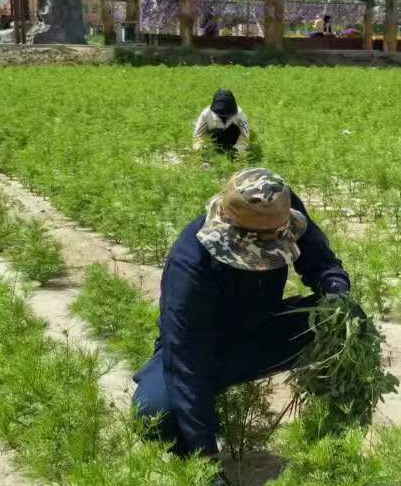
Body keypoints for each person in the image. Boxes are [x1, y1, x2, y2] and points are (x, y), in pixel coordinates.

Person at [132, 168, 351, 459]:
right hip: (203, 349)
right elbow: (185, 362)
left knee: (345, 321)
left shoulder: (279, 206)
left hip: (262, 330)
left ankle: (334, 430)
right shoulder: (190, 264)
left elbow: (321, 264)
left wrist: (336, 291)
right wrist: (205, 457)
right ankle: (195, 440)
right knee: (155, 413)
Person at [192, 87, 251, 154]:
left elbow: (245, 136)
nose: (225, 116)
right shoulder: (206, 114)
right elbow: (198, 135)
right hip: (214, 137)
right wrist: (200, 149)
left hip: (233, 136)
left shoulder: (240, 114)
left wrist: (238, 150)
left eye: (228, 115)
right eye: (222, 115)